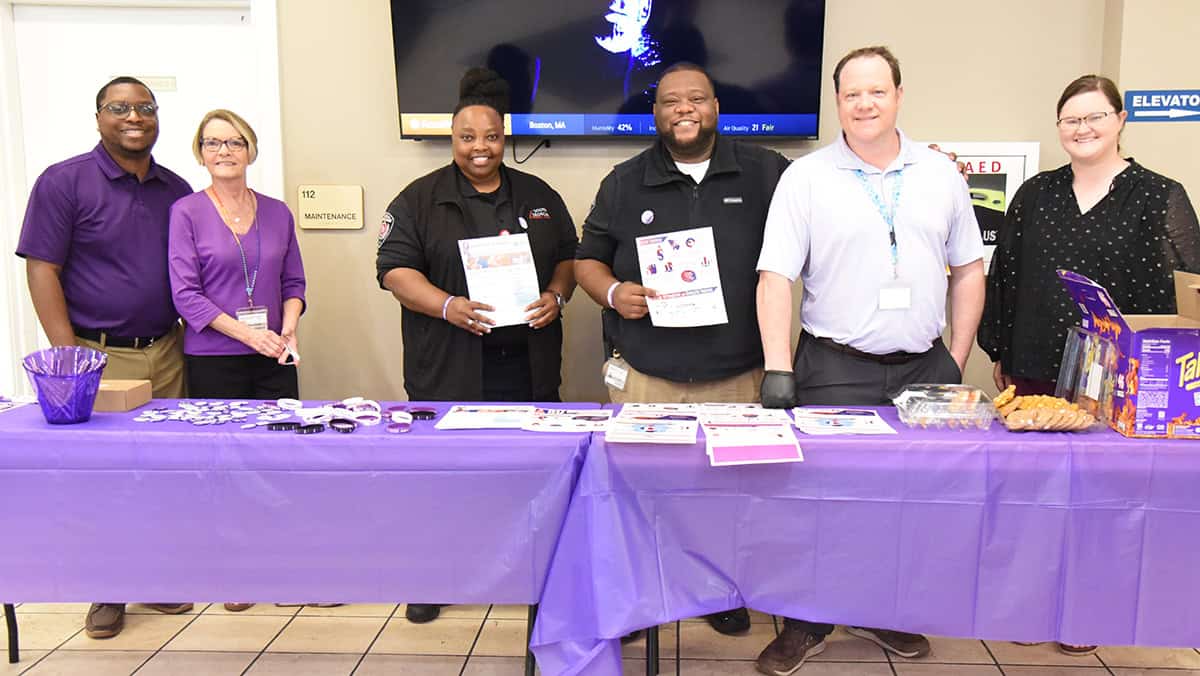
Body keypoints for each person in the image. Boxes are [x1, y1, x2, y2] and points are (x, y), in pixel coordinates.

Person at [754, 46, 985, 674]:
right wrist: (779, 367)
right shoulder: (805, 177)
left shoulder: (939, 173)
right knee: (822, 498)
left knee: (910, 501)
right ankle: (805, 621)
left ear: (899, 96)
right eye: (851, 94)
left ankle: (883, 609)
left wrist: (955, 358)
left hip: (924, 368)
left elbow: (968, 269)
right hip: (834, 365)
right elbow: (775, 277)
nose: (864, 103)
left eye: (876, 92)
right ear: (837, 103)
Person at [979, 74, 1200, 657]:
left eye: (1095, 116)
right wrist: (1000, 348)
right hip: (1036, 368)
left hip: (1118, 381)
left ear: (1120, 119)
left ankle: (1088, 613)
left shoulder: (1160, 195)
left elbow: (1189, 290)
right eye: (1071, 119)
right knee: (1031, 498)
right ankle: (1028, 608)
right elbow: (1005, 275)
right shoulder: (1037, 193)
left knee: (1102, 502)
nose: (1083, 129)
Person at [574, 61, 791, 637]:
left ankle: (718, 590)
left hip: (739, 378)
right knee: (639, 497)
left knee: (728, 499)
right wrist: (614, 292)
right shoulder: (623, 180)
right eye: (672, 102)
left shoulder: (767, 171)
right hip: (649, 377)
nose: (684, 110)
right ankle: (640, 598)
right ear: (656, 113)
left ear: (716, 107)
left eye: (696, 99)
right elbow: (585, 260)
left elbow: (826, 220)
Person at [376, 67, 578, 623]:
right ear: (452, 139)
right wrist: (447, 305)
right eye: (468, 137)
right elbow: (393, 272)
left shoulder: (539, 195)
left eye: (490, 136)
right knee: (445, 476)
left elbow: (568, 257)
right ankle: (435, 576)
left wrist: (558, 296)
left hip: (527, 362)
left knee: (532, 473)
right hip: (448, 365)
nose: (480, 147)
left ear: (503, 136)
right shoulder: (418, 199)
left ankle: (535, 574)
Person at [15, 76, 194, 639]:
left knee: (163, 471)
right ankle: (107, 589)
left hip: (168, 349)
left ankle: (157, 577)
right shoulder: (63, 181)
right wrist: (67, 354)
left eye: (145, 107)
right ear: (99, 118)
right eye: (120, 108)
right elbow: (41, 267)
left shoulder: (176, 187)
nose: (134, 117)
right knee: (105, 476)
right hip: (98, 355)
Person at [168, 109, 306, 404]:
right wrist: (250, 336)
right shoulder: (186, 212)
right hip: (213, 358)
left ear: (249, 150)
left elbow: (293, 283)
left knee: (279, 442)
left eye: (235, 143)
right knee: (222, 447)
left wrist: (288, 330)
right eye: (212, 143)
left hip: (274, 353)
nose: (224, 151)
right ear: (201, 152)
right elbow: (186, 296)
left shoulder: (278, 212)